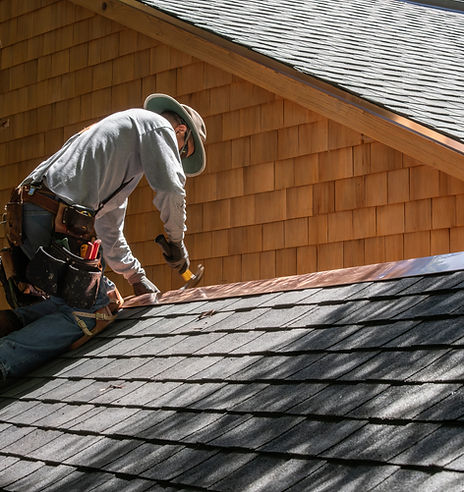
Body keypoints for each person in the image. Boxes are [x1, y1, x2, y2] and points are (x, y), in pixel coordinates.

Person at [0, 93, 207, 383]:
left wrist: (136, 277)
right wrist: (176, 241)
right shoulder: (157, 126)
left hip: (29, 213)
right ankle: (5, 359)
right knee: (97, 309)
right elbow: (171, 188)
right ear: (180, 132)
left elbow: (110, 227)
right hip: (52, 216)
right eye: (182, 152)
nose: (177, 157)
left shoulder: (120, 148)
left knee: (74, 300)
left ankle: (15, 323)